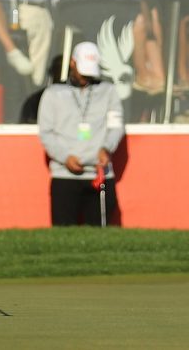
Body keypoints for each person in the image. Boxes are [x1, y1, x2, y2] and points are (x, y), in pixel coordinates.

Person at [37, 42, 125, 226]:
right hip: (64, 175)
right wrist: (64, 157)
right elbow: (46, 132)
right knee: (63, 237)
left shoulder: (108, 91)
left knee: (101, 237)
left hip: (100, 174)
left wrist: (106, 148)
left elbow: (116, 126)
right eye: (82, 70)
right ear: (72, 63)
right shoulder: (53, 94)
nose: (86, 77)